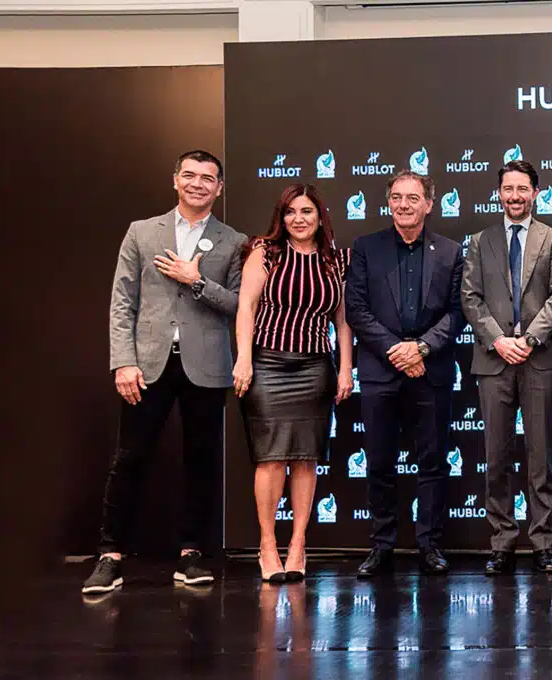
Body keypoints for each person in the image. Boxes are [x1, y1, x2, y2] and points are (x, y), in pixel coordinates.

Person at [83, 150, 247, 595]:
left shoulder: (234, 241)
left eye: (208, 178)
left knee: (202, 461)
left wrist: (197, 281)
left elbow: (240, 305)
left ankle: (192, 554)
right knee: (130, 458)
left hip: (206, 366)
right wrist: (123, 360)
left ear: (219, 188)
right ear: (175, 180)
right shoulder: (141, 232)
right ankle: (110, 556)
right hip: (147, 364)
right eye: (189, 175)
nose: (198, 184)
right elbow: (122, 301)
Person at [232, 184, 353, 584]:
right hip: (267, 364)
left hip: (315, 367)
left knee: (305, 458)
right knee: (270, 459)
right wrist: (244, 359)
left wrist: (345, 368)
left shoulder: (336, 260)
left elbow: (343, 320)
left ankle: (298, 544)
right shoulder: (265, 252)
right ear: (281, 218)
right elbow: (246, 307)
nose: (298, 219)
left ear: (320, 216)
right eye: (290, 212)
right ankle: (268, 545)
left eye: (306, 211)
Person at [346, 170, 465, 576]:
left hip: (431, 370)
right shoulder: (366, 248)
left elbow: (458, 312)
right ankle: (382, 545)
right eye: (397, 197)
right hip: (381, 371)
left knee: (432, 462)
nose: (404, 205)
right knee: (380, 462)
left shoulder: (450, 251)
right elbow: (356, 309)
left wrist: (422, 348)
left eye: (413, 198)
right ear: (388, 203)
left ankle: (429, 545)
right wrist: (396, 351)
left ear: (429, 204)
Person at [461, 160, 552, 575]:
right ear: (499, 193)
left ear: (535, 193)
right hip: (494, 361)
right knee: (496, 458)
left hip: (540, 359)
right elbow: (470, 298)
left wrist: (528, 340)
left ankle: (542, 542)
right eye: (508, 189)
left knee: (541, 457)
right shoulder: (479, 241)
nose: (514, 196)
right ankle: (502, 542)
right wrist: (498, 340)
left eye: (522, 189)